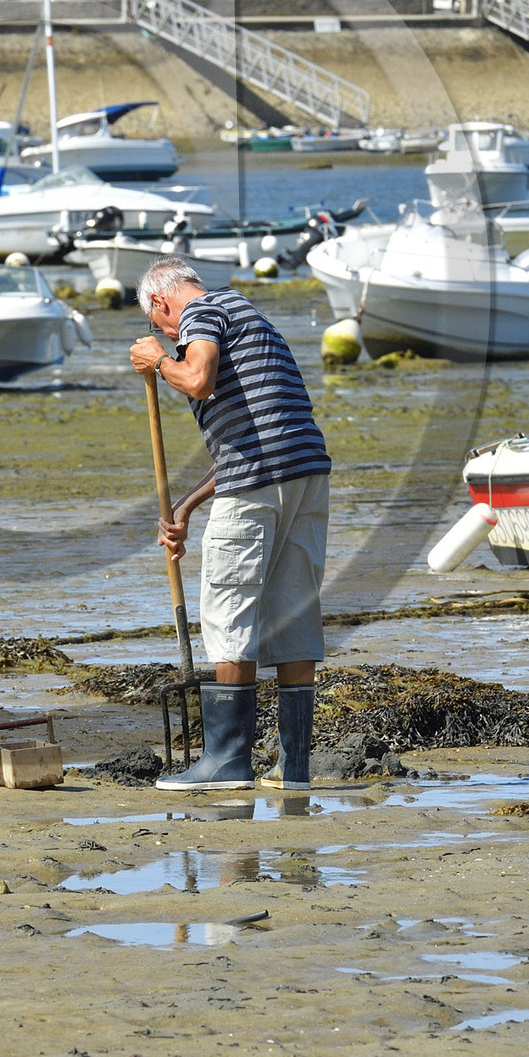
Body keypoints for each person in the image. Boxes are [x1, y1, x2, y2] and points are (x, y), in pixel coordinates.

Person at [129, 259, 330, 791]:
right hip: (305, 472)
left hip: (261, 481)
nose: (166, 336)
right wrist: (186, 509)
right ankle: (295, 769)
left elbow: (198, 379)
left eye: (160, 327)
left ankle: (227, 763)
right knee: (293, 613)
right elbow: (254, 439)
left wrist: (158, 360)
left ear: (160, 303)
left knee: (228, 608)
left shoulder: (200, 312)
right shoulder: (248, 314)